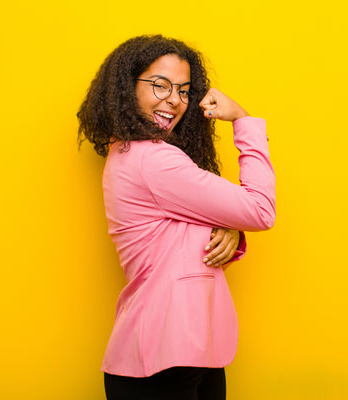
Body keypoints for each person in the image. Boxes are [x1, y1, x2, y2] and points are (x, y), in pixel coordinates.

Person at [77, 35, 276, 399]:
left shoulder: (136, 156)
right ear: (126, 88)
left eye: (184, 90)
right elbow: (261, 210)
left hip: (189, 352)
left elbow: (180, 250)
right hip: (163, 361)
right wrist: (243, 120)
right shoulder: (153, 160)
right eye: (160, 85)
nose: (174, 99)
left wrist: (229, 226)